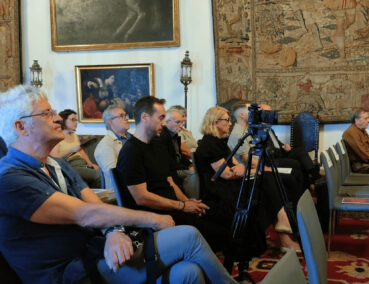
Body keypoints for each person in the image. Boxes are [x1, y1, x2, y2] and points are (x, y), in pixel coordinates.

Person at [0, 85, 237, 284]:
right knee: (187, 235)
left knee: (188, 273)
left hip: (93, 252)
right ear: (20, 127)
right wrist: (152, 219)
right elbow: (85, 214)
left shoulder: (55, 165)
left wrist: (113, 230)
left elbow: (93, 205)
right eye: (45, 114)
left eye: (53, 111)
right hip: (68, 271)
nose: (58, 118)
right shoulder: (10, 178)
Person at [116, 96, 228, 251]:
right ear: (145, 117)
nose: (164, 123)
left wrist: (188, 202)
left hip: (173, 208)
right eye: (161, 117)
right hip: (157, 216)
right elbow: (141, 197)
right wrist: (182, 206)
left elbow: (170, 182)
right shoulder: (131, 152)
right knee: (221, 232)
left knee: (224, 215)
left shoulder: (156, 146)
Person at [195, 106, 301, 252]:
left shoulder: (220, 141)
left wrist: (243, 170)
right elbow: (226, 174)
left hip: (232, 182)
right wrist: (243, 170)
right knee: (266, 185)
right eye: (226, 120)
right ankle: (284, 228)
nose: (230, 123)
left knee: (267, 179)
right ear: (215, 122)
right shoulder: (208, 144)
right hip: (219, 189)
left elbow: (237, 167)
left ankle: (283, 232)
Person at [227, 101, 306, 199]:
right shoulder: (238, 134)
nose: (255, 114)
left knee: (296, 171)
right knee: (292, 177)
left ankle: (299, 207)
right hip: (253, 173)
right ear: (242, 115)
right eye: (251, 111)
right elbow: (250, 161)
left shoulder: (248, 130)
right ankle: (293, 209)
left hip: (260, 167)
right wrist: (269, 169)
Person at [152, 107, 198, 198]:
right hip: (170, 171)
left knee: (198, 169)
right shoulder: (162, 136)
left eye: (182, 122)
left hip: (177, 167)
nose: (181, 125)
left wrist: (189, 165)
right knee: (193, 174)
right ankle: (192, 201)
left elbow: (180, 155)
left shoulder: (175, 134)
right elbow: (168, 162)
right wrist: (188, 168)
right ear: (167, 122)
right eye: (178, 122)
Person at [50, 109, 102, 188]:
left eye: (76, 120)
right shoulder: (58, 137)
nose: (76, 123)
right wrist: (70, 150)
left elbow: (81, 151)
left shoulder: (74, 135)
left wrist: (90, 164)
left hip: (82, 164)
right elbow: (54, 158)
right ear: (64, 120)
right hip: (70, 165)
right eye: (72, 120)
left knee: (101, 171)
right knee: (97, 175)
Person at [94, 106, 132, 190]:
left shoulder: (133, 138)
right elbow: (115, 176)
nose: (127, 118)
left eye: (126, 115)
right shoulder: (105, 145)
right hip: (124, 191)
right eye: (122, 116)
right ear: (110, 122)